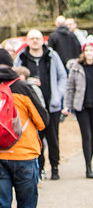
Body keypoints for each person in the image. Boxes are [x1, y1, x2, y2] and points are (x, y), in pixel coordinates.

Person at [0, 47, 48, 208]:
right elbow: (43, 121)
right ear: (11, 65)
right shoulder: (23, 87)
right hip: (26, 156)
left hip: (0, 158)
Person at [14, 29, 67, 180]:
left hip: (52, 105)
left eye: (37, 38)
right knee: (36, 138)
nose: (35, 41)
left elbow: (63, 76)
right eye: (32, 39)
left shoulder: (51, 55)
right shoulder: (22, 57)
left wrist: (58, 95)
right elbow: (16, 77)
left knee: (53, 138)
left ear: (42, 40)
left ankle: (55, 167)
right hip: (31, 107)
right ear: (28, 41)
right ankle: (40, 167)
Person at [62, 36, 93, 178]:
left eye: (91, 50)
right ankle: (88, 167)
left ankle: (90, 162)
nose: (89, 53)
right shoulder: (76, 67)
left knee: (92, 136)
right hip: (81, 107)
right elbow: (70, 88)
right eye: (86, 50)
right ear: (83, 52)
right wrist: (67, 106)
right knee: (86, 136)